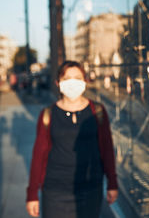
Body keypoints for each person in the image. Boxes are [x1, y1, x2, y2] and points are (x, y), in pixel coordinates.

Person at [26, 61, 118, 218]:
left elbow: (107, 149)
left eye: (77, 77)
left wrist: (112, 182)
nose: (73, 82)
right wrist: (32, 193)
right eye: (67, 78)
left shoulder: (98, 111)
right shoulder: (48, 114)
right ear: (58, 83)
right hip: (55, 192)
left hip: (90, 189)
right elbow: (38, 155)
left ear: (84, 81)